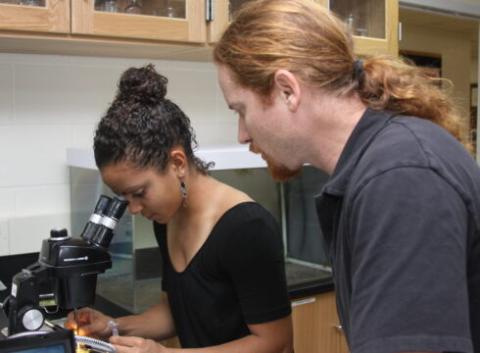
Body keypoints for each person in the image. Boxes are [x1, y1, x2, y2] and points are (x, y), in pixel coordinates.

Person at [213, 1, 480, 353]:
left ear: (287, 91)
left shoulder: (399, 176)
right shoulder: (378, 164)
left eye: (241, 110)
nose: (242, 134)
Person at [65, 64, 293, 353]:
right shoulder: (167, 219)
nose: (134, 209)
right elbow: (176, 311)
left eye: (139, 193)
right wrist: (112, 326)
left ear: (177, 164)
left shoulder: (246, 227)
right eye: (125, 197)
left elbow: (275, 342)